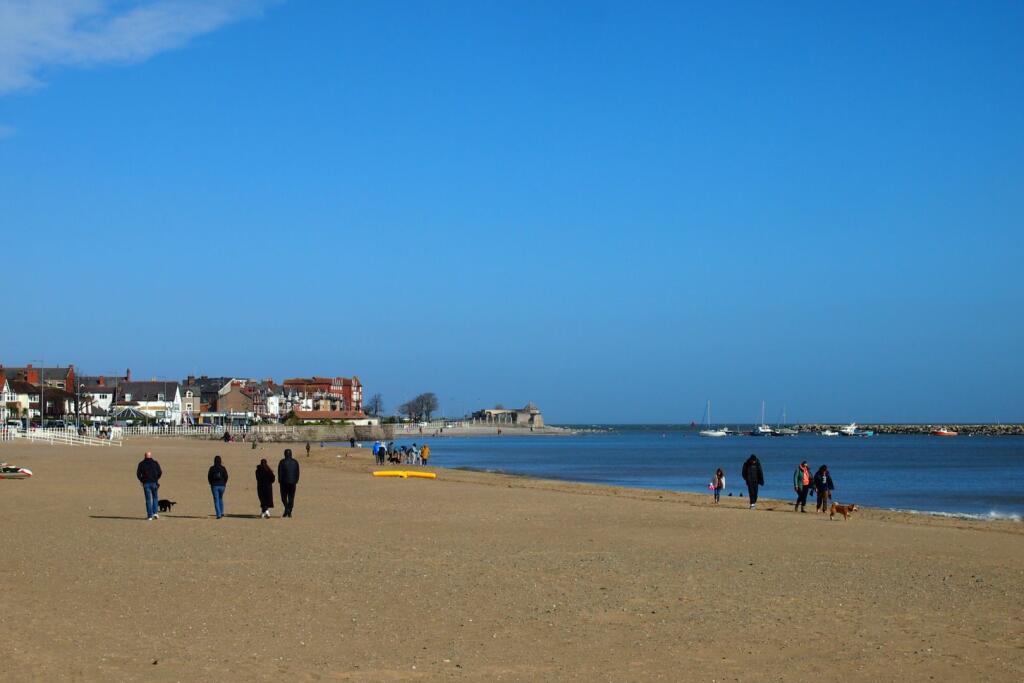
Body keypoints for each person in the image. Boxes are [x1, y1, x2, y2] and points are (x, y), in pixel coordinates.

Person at [136, 451, 162, 520]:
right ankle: (155, 513)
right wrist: (156, 479)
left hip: (146, 483)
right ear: (150, 456)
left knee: (148, 499)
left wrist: (142, 480)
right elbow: (160, 472)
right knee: (155, 498)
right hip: (154, 483)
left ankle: (150, 516)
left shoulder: (141, 463)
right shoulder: (155, 463)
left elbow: (138, 474)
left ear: (145, 456)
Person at [278, 448, 300, 518]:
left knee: (284, 497)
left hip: (284, 482)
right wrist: (296, 480)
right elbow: (297, 472)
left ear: (285, 454)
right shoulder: (295, 462)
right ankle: (288, 511)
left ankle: (287, 509)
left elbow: (279, 472)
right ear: (291, 454)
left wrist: (280, 480)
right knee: (291, 497)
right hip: (292, 482)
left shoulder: (282, 462)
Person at [208, 455, 229, 519]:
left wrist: (211, 483)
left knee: (216, 500)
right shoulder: (223, 468)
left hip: (214, 485)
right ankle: (222, 512)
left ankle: (218, 514)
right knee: (220, 498)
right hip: (222, 486)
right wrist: (224, 483)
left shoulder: (212, 468)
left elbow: (209, 477)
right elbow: (226, 476)